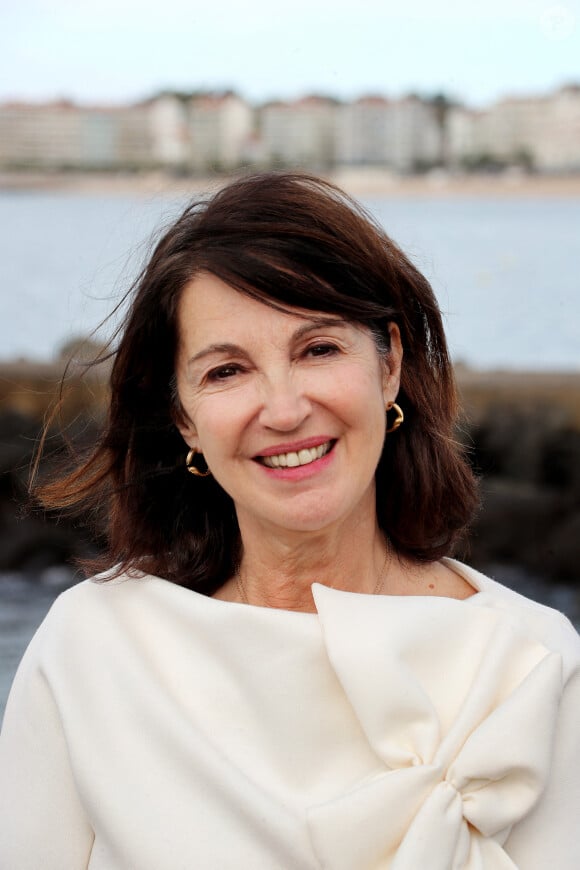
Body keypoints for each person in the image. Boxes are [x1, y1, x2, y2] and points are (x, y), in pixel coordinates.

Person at [1, 172, 579, 870]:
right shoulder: (92, 651)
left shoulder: (533, 667)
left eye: (318, 349)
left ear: (388, 364)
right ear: (183, 417)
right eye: (226, 372)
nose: (282, 409)